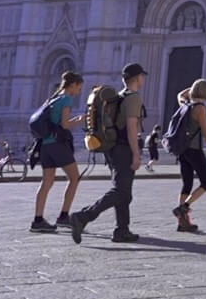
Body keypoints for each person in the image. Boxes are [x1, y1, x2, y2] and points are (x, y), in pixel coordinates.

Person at [68, 62, 147, 244]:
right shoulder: (133, 97)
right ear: (136, 78)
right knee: (120, 191)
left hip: (112, 148)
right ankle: (83, 217)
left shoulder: (119, 96)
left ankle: (122, 230)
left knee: (124, 192)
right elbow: (132, 127)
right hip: (124, 149)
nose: (143, 79)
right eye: (142, 76)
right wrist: (136, 154)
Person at [31, 70, 85, 233]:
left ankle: (38, 220)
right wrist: (80, 120)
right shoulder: (66, 99)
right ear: (73, 85)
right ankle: (63, 216)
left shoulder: (53, 98)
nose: (79, 91)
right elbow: (65, 124)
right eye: (79, 87)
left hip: (46, 145)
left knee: (47, 182)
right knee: (74, 178)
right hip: (57, 144)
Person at [171, 79, 206, 232]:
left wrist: (191, 89)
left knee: (187, 184)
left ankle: (182, 223)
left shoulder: (185, 104)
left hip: (183, 151)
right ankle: (183, 208)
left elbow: (180, 94)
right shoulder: (200, 108)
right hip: (194, 150)